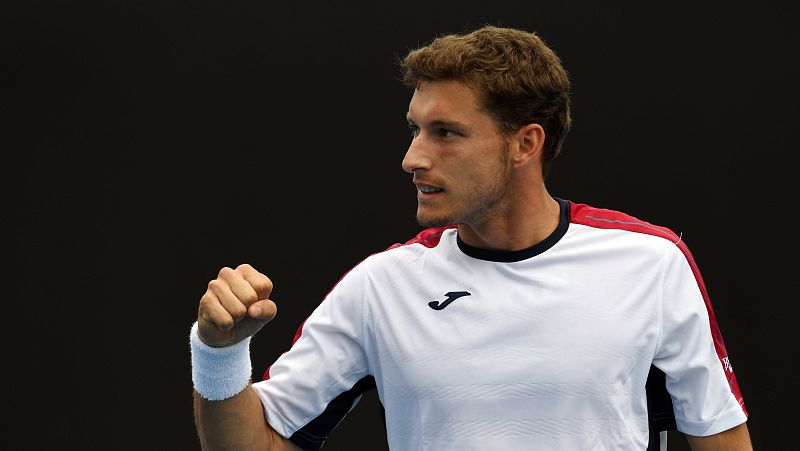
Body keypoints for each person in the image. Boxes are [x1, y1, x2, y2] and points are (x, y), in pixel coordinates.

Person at [190, 26, 752, 450]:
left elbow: (720, 437)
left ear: (525, 144)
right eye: (415, 129)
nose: (413, 158)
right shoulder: (380, 286)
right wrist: (219, 353)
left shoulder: (651, 262)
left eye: (446, 133)